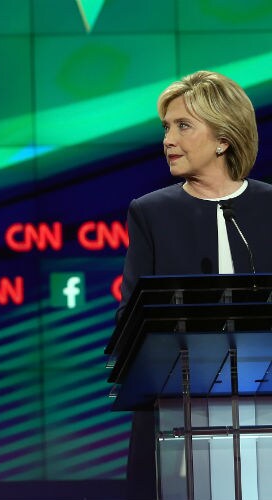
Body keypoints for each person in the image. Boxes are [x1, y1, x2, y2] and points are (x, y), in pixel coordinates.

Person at [117, 70, 272, 499]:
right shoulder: (151, 213)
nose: (168, 140)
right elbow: (131, 320)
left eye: (183, 126)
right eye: (166, 128)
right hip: (176, 415)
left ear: (223, 138)